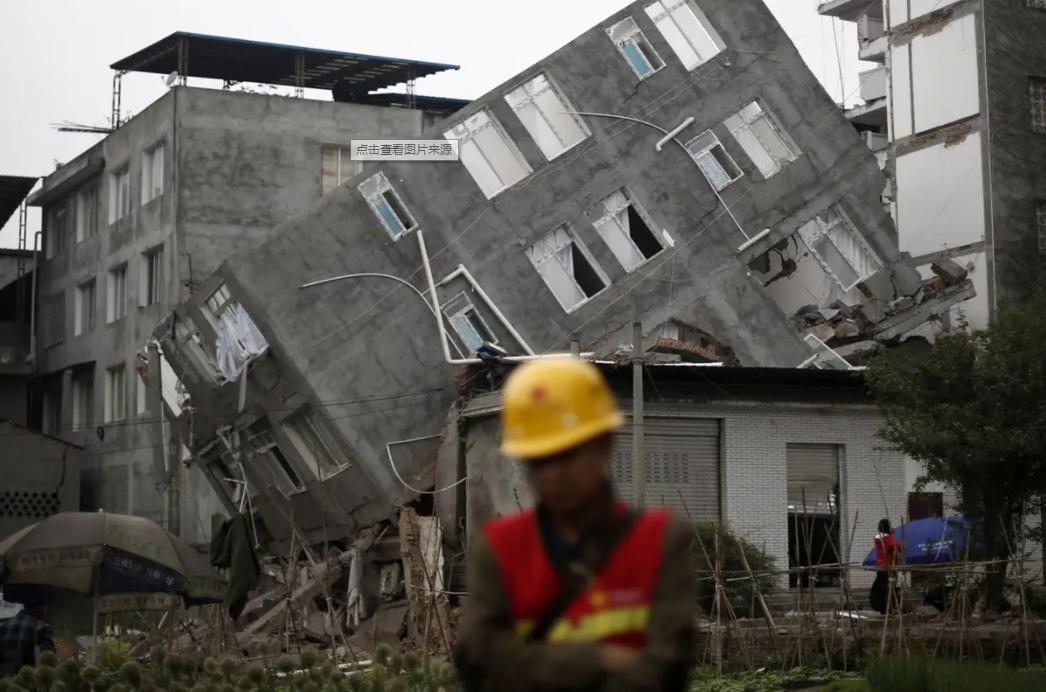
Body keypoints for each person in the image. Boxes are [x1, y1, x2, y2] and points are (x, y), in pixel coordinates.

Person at [454, 358, 696, 692]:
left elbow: (665, 668)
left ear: (604, 446)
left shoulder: (660, 540)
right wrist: (598, 659)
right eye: (539, 460)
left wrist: (529, 664)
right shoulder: (498, 549)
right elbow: (479, 662)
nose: (554, 474)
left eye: (567, 454)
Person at [0, 600, 55, 675]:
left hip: (5, 683)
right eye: (45, 607)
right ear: (40, 607)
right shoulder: (42, 628)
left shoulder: (3, 627)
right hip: (27, 683)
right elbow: (48, 662)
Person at [869, 518, 899, 615]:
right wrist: (892, 536)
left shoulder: (879, 537)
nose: (891, 527)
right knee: (888, 588)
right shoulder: (887, 538)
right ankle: (888, 608)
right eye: (889, 525)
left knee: (883, 587)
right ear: (886, 527)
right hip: (888, 566)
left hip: (881, 565)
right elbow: (897, 546)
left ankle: (885, 608)